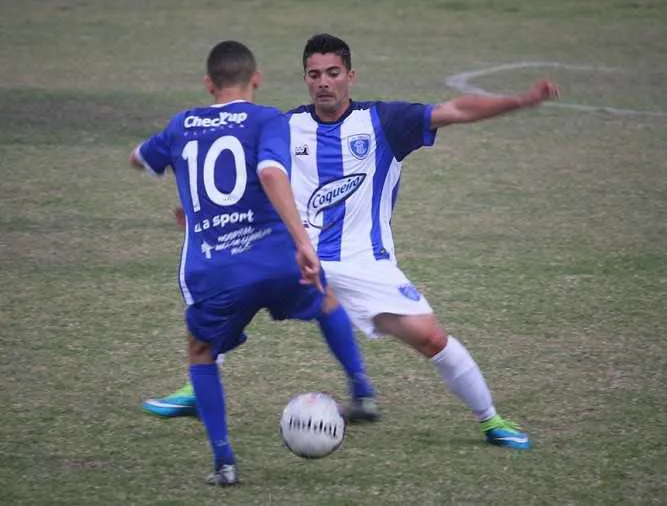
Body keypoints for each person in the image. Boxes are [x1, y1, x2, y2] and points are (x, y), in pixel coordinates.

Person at [146, 33, 560, 450]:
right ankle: (196, 390)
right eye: (314, 74)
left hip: (364, 262)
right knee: (229, 300)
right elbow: (242, 178)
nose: (323, 82)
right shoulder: (284, 125)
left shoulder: (384, 121)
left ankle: (490, 420)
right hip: (295, 256)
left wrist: (520, 101)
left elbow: (456, 109)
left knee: (431, 338)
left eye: (333, 73)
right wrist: (201, 217)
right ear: (305, 79)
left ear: (350, 76)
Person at [130, 40, 378, 486]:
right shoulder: (269, 118)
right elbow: (268, 172)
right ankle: (361, 389)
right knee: (325, 300)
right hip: (275, 261)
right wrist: (303, 243)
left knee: (200, 351)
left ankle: (224, 462)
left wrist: (191, 198)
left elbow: (139, 160)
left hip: (215, 272)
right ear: (256, 80)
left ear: (209, 83)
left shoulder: (181, 124)